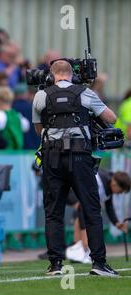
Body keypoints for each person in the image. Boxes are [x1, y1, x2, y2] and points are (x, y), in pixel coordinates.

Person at [32, 59, 118, 276]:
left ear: (52, 75)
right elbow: (111, 118)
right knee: (91, 208)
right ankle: (98, 263)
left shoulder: (41, 95)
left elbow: (38, 128)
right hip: (80, 157)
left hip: (52, 157)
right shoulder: (84, 93)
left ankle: (55, 264)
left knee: (53, 212)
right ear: (71, 74)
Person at [66, 169, 131, 263]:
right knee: (82, 209)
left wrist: (117, 224)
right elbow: (83, 209)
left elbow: (109, 206)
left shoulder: (110, 185)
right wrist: (85, 240)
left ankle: (78, 248)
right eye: (120, 191)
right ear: (115, 184)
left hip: (77, 192)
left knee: (83, 211)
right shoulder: (99, 182)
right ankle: (81, 247)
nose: (119, 194)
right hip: (68, 189)